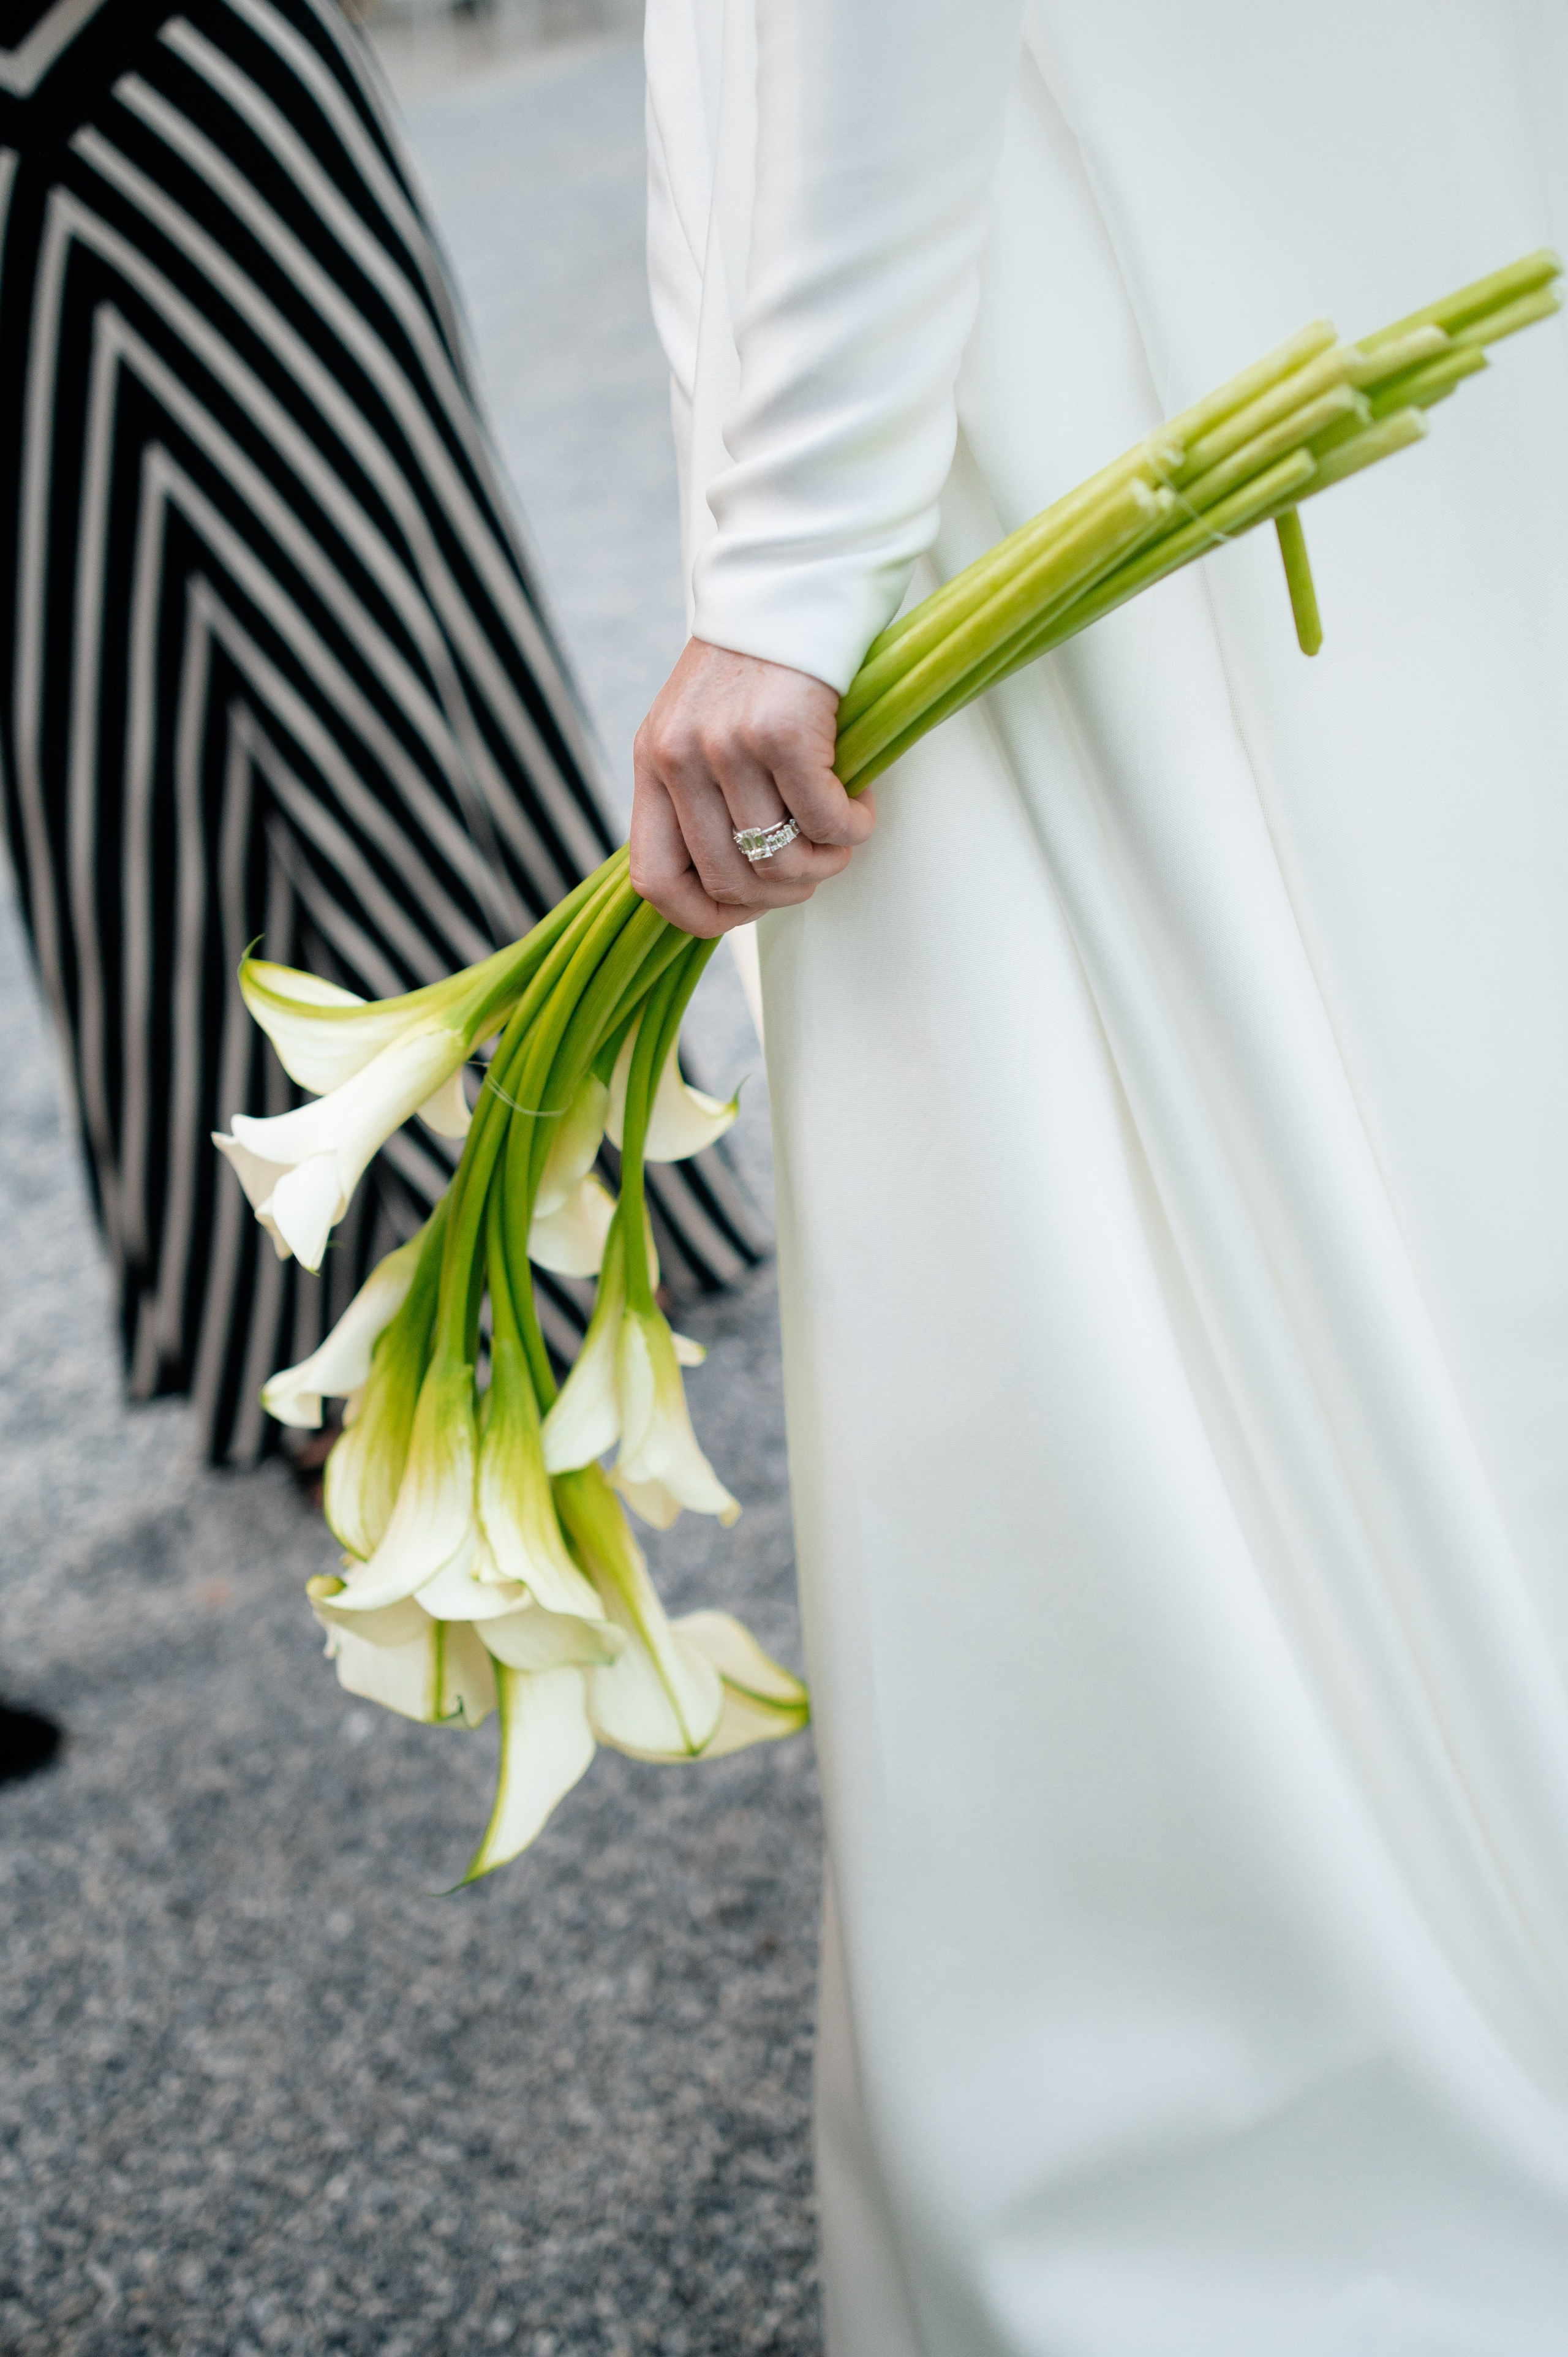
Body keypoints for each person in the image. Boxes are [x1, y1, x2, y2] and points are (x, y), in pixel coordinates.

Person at [632, 1, 1568, 2348]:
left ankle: (1281, 2161)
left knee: (1099, 1193)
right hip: (1296, 153)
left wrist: (794, 539)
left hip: (1022, 301)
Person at [0, 0, 761, 1470]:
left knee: (367, 606)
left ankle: (542, 1211)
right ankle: (293, 1298)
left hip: (187, 51)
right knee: (87, 667)